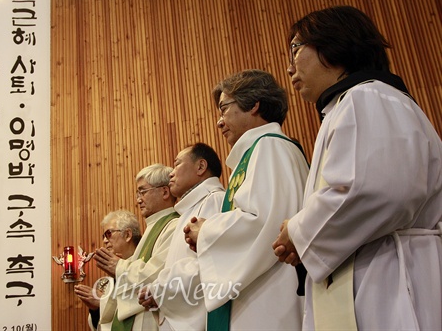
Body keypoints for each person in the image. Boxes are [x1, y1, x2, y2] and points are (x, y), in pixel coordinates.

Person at [272, 5, 442, 330]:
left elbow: (371, 189)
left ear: (334, 44)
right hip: (375, 266)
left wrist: (299, 232)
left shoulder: (367, 97)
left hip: (388, 278)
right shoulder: (356, 103)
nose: (290, 68)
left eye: (295, 48)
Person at [183, 69, 310, 330]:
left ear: (253, 104)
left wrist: (206, 231)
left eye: (224, 109)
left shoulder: (270, 147)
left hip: (268, 297)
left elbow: (266, 223)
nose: (219, 122)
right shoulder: (264, 149)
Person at [138, 143, 226, 330]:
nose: (171, 173)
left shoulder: (214, 200)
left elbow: (205, 265)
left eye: (177, 164)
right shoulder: (190, 209)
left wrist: (159, 290)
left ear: (201, 167)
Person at [94, 164, 179, 331]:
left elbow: (156, 275)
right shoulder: (153, 227)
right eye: (137, 193)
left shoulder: (174, 225)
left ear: (164, 192)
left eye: (143, 192)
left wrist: (119, 266)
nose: (138, 199)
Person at [74, 210, 141, 331]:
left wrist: (102, 302)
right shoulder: (106, 283)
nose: (105, 240)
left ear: (127, 235)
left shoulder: (143, 267)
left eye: (108, 234)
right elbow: (101, 326)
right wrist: (96, 310)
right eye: (103, 236)